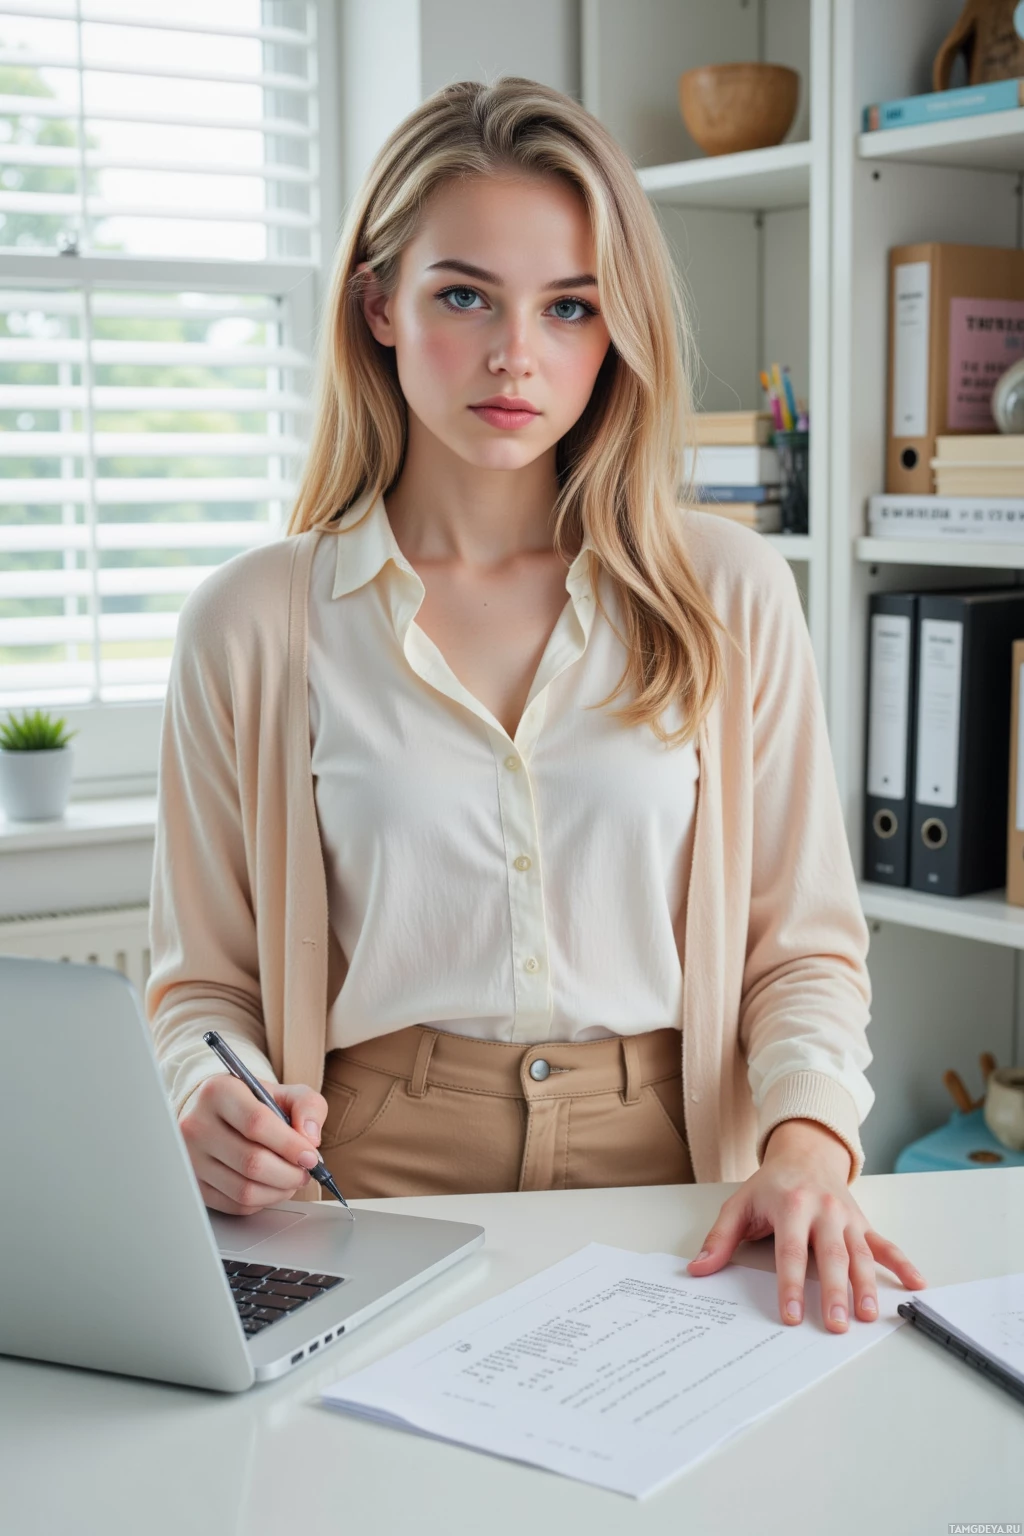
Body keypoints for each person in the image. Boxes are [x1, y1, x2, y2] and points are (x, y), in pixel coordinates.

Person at [145, 76, 927, 1335]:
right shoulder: (251, 623)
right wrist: (204, 1096)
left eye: (569, 306)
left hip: (681, 1171)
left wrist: (805, 1144)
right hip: (367, 1176)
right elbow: (201, 991)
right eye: (464, 294)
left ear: (615, 329)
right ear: (378, 306)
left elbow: (804, 952)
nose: (519, 355)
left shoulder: (724, 594)